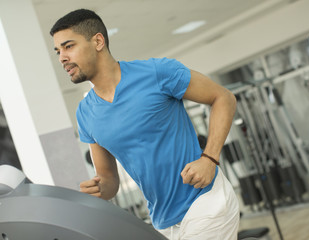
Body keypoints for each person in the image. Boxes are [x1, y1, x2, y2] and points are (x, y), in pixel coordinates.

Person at [50, 9, 239, 240]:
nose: (62, 57)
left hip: (205, 201)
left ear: (98, 41)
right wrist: (100, 189)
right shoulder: (85, 113)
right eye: (58, 51)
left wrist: (209, 159)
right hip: (162, 219)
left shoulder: (157, 72)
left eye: (69, 46)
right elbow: (109, 179)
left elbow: (224, 98)